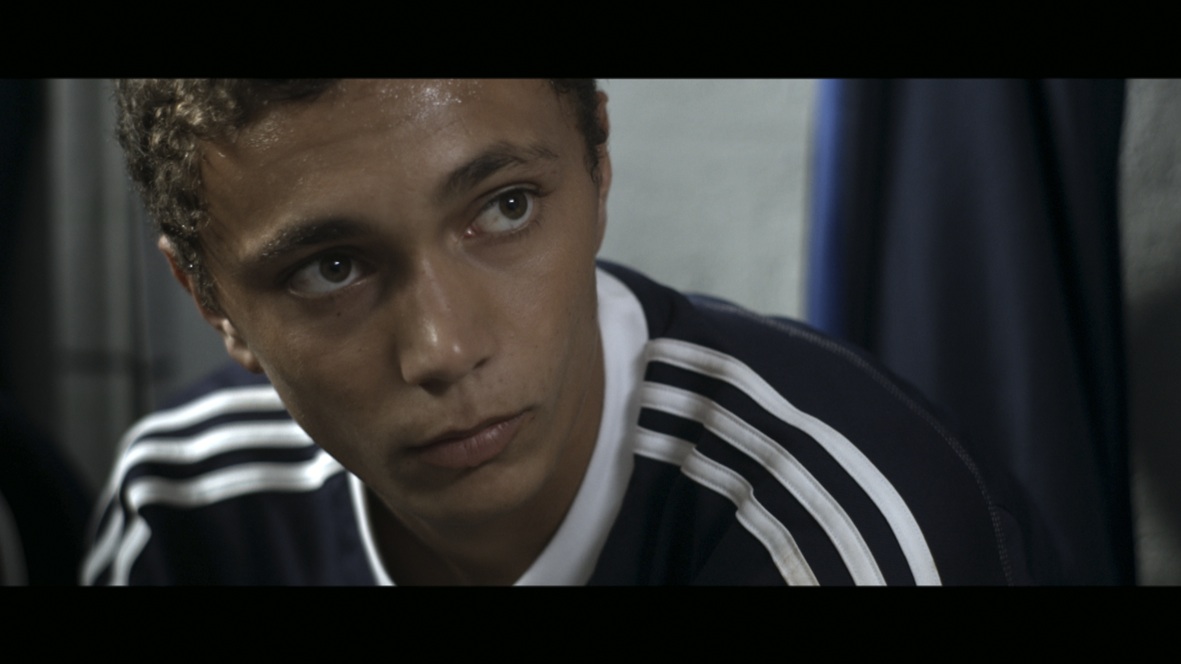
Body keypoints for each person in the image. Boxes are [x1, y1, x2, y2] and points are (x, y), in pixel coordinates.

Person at [82, 79, 1034, 585]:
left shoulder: (827, 533)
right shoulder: (189, 507)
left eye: (505, 208)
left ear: (597, 165)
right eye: (330, 269)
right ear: (211, 302)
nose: (444, 349)